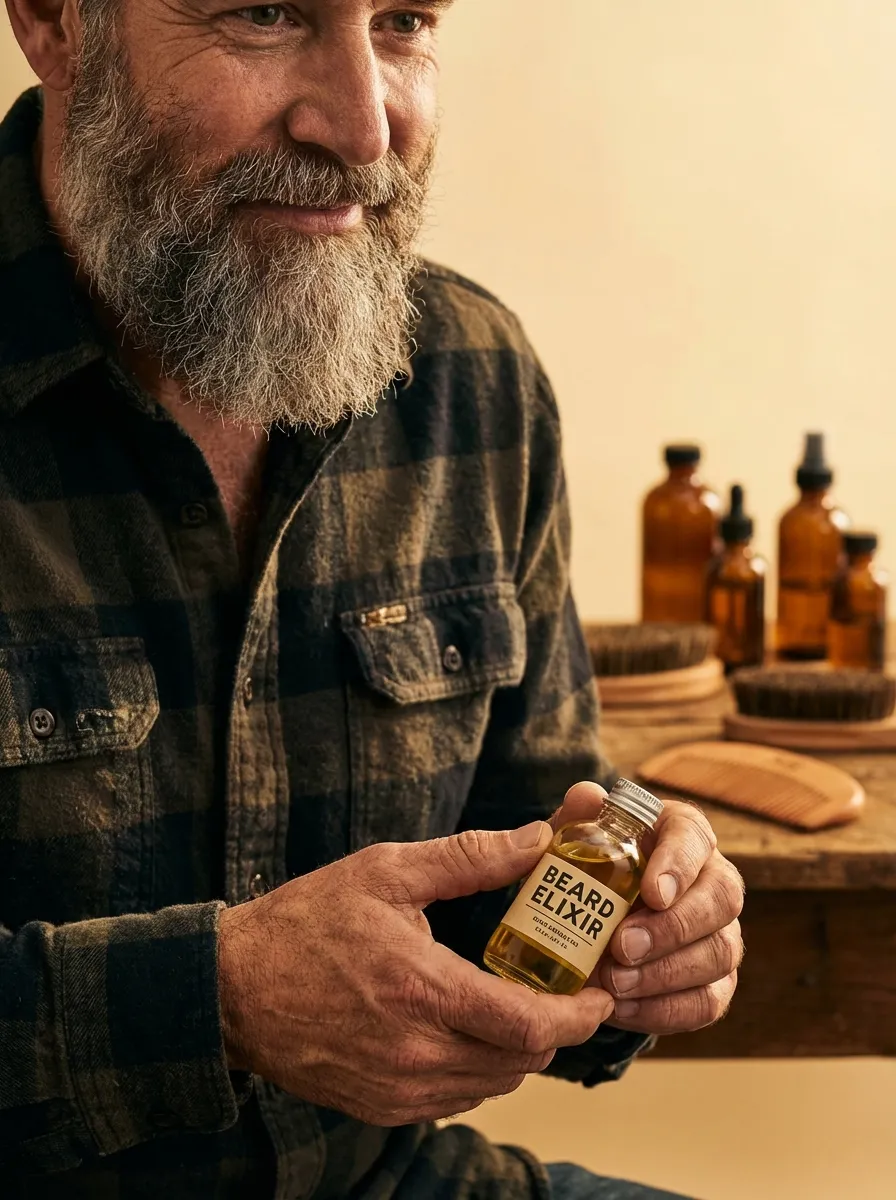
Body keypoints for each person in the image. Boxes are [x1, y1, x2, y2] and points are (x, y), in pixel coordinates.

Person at [0, 2, 744, 1197]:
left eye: (401, 21)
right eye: (263, 13)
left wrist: (638, 933)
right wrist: (218, 998)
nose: (361, 128)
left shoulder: (469, 373)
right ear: (52, 21)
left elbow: (521, 858)